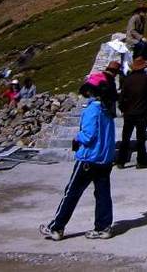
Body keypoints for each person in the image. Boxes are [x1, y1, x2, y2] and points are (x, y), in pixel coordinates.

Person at [40, 75, 116, 240]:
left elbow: (88, 136)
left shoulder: (91, 110)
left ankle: (56, 227)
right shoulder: (107, 109)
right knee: (102, 193)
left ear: (89, 91)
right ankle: (103, 226)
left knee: (72, 192)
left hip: (88, 159)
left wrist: (77, 137)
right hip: (105, 159)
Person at [116, 57, 147, 169]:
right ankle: (141, 161)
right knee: (141, 138)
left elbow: (122, 97)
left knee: (125, 137)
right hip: (142, 111)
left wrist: (122, 108)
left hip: (128, 112)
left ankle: (121, 161)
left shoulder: (127, 79)